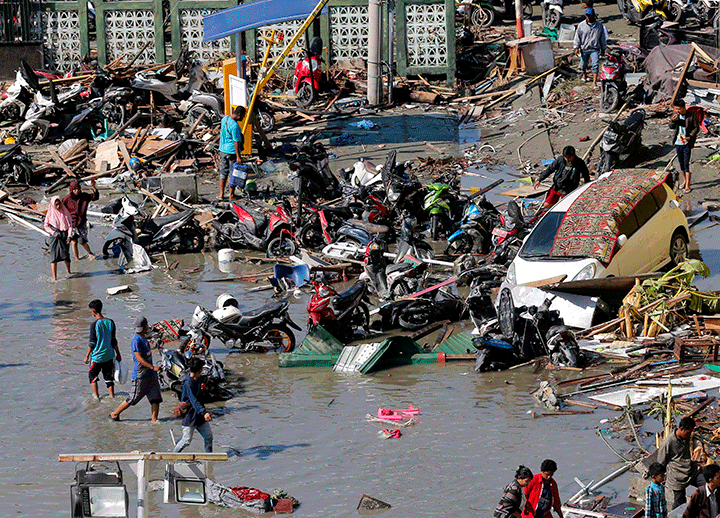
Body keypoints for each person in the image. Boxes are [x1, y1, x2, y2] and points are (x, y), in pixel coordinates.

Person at [110, 316, 162, 422]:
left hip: (151, 375)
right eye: (147, 325)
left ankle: (154, 421)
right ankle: (115, 414)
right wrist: (152, 367)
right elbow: (138, 358)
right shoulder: (136, 339)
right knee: (133, 398)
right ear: (145, 326)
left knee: (156, 399)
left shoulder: (144, 337)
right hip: (141, 376)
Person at [657, 417, 705, 509]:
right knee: (679, 503)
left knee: (707, 485)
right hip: (677, 476)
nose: (689, 435)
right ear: (681, 429)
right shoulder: (668, 443)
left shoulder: (686, 437)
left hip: (690, 470)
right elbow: (660, 462)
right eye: (688, 432)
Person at [173, 357, 214, 453]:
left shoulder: (197, 380)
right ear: (200, 370)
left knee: (208, 437)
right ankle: (173, 457)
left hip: (199, 416)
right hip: (190, 416)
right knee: (186, 440)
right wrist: (204, 413)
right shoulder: (189, 383)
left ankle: (208, 459)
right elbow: (194, 400)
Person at [84, 299, 121, 400]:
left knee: (92, 375)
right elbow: (114, 340)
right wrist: (118, 354)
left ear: (93, 311)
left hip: (98, 357)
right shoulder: (111, 322)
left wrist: (87, 356)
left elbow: (92, 342)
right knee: (108, 377)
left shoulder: (94, 325)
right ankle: (112, 396)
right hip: (109, 355)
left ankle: (96, 397)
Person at [62, 179, 99, 260]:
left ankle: (90, 253)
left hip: (81, 223)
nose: (77, 191)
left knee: (82, 241)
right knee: (74, 242)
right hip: (71, 224)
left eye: (78, 188)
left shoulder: (84, 196)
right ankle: (77, 259)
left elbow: (95, 197)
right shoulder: (66, 199)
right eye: (75, 189)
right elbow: (61, 210)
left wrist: (94, 187)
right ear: (71, 190)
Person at [669, 99, 699, 194]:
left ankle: (687, 185)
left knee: (686, 164)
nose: (677, 111)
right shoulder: (675, 115)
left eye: (679, 109)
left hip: (687, 143)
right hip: (678, 143)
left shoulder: (691, 116)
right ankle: (685, 180)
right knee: (681, 163)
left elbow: (696, 128)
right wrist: (673, 121)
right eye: (676, 109)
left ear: (683, 107)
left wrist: (690, 137)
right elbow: (671, 126)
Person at [218, 105, 246, 200]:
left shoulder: (225, 119)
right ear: (239, 114)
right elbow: (236, 142)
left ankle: (221, 194)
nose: (243, 118)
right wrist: (238, 156)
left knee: (223, 171)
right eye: (243, 116)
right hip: (231, 152)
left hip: (222, 149)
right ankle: (231, 195)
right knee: (232, 173)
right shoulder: (235, 126)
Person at [574, 8, 607, 87]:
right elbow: (577, 37)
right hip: (584, 48)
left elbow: (602, 38)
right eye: (587, 16)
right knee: (583, 65)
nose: (588, 17)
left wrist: (603, 48)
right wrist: (576, 47)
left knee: (595, 65)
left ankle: (594, 82)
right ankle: (584, 75)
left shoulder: (599, 26)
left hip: (594, 49)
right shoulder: (581, 25)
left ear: (593, 16)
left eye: (590, 16)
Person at [44, 196, 73, 281]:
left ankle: (68, 271)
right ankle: (54, 278)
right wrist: (53, 232)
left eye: (59, 204)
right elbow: (46, 226)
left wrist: (69, 236)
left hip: (64, 236)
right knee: (54, 258)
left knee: (66, 256)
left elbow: (70, 225)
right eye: (56, 205)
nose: (58, 206)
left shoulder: (65, 212)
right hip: (54, 236)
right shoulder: (50, 213)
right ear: (53, 205)